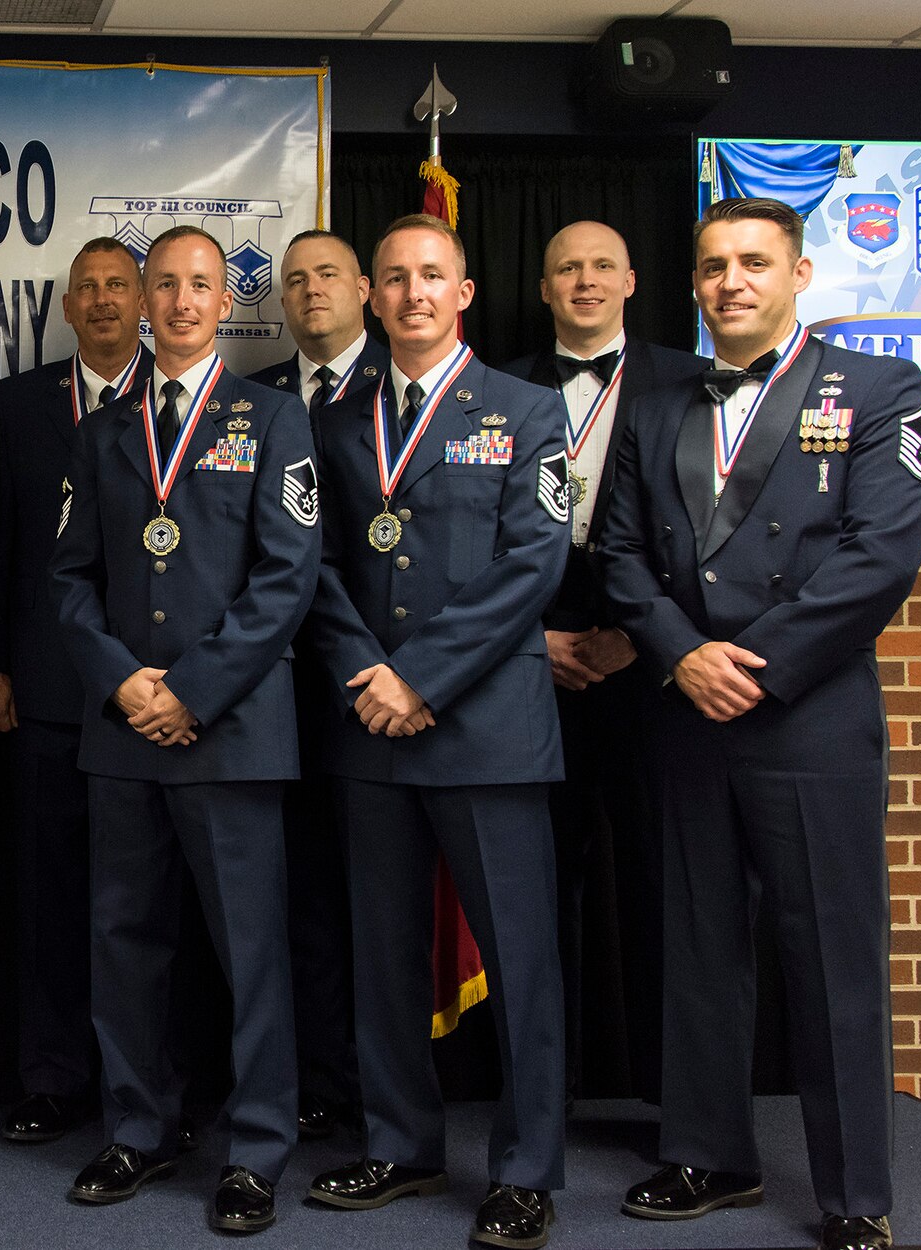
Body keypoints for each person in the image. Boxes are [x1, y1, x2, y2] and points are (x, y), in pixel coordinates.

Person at [599, 196, 921, 1250]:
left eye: (751, 262)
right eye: (710, 265)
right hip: (688, 709)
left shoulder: (877, 389)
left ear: (798, 275)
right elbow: (615, 551)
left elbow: (879, 557)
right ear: (692, 284)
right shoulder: (653, 403)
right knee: (697, 946)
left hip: (807, 714)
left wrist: (754, 664)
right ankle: (708, 1155)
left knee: (831, 955)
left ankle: (853, 1194)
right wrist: (680, 653)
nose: (728, 281)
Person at [301, 214, 569, 1250]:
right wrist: (369, 675)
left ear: (463, 293)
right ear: (370, 296)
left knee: (519, 957)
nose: (413, 294)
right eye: (395, 278)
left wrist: (419, 676)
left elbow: (530, 564)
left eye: (432, 277)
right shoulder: (332, 422)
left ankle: (526, 1167)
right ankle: (401, 1142)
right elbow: (310, 568)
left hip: (487, 732)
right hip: (369, 726)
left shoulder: (525, 408)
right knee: (381, 954)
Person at [50, 224, 319, 1235]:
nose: (176, 299)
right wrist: (125, 685)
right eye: (161, 283)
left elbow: (285, 577)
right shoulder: (102, 429)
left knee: (248, 952)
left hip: (231, 729)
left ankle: (255, 1147)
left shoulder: (271, 417)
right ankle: (136, 1123)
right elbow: (68, 578)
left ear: (223, 301)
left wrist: (192, 688)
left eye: (197, 283)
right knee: (123, 940)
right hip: (122, 731)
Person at [498, 220, 706, 1106]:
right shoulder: (493, 385)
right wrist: (524, 642)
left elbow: (713, 534)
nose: (583, 281)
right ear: (543, 288)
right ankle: (537, 1099)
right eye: (565, 269)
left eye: (600, 267)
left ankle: (667, 1103)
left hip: (649, 666)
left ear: (631, 281)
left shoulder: (692, 382)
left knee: (660, 889)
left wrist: (644, 634)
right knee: (532, 893)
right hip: (522, 658)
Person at [0, 236, 151, 1145]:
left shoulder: (179, 395)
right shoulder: (21, 403)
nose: (105, 301)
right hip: (40, 685)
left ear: (146, 301)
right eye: (90, 289)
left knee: (147, 902)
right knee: (46, 896)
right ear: (67, 308)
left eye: (120, 286)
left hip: (154, 695)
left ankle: (151, 1084)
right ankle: (50, 1077)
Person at [246, 228, 389, 1142]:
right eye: (293, 281)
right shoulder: (252, 401)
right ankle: (312, 1080)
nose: (309, 292)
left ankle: (377, 1091)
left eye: (327, 274)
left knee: (370, 902)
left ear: (365, 288)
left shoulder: (407, 387)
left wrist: (376, 667)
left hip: (381, 686)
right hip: (269, 692)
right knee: (291, 903)